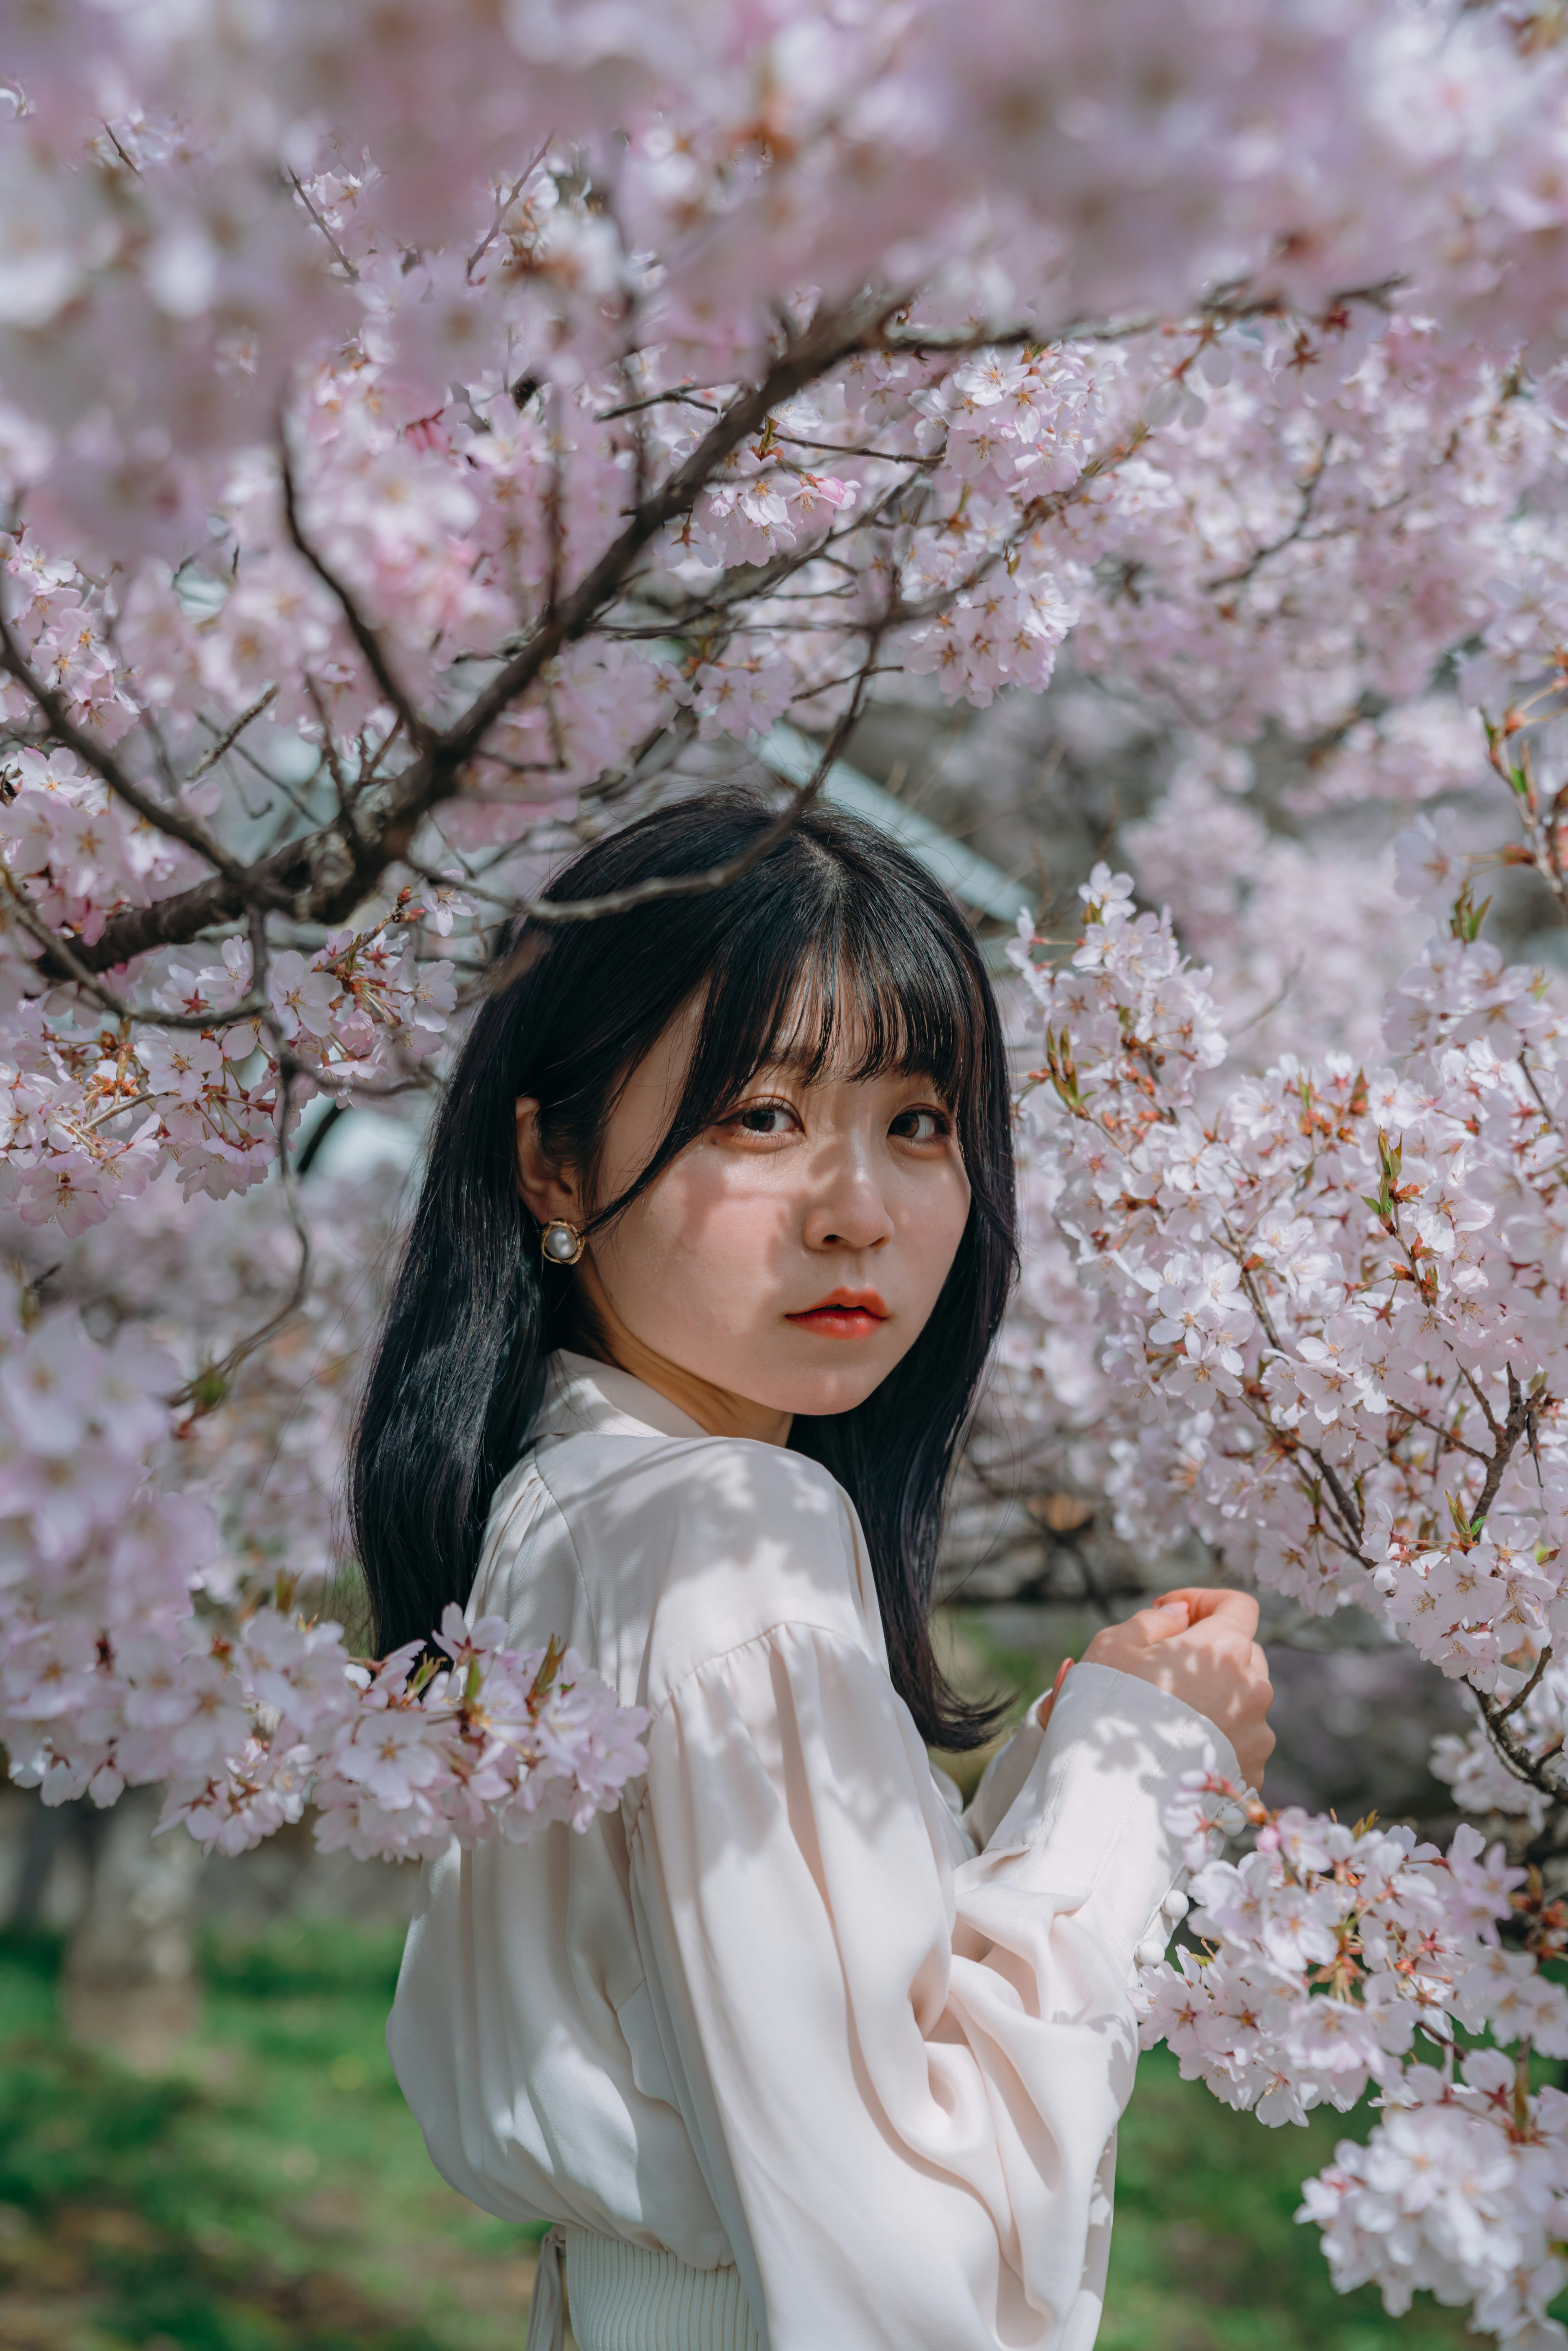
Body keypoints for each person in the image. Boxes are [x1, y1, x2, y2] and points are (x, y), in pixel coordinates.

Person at [356, 789, 1274, 2351]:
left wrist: (1050, 1765)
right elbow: (916, 2253)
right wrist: (1133, 1775)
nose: (858, 1209)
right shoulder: (731, 1533)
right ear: (557, 1167)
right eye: (763, 1116)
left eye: (917, 1124)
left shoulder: (558, 1510)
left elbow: (742, 2055)